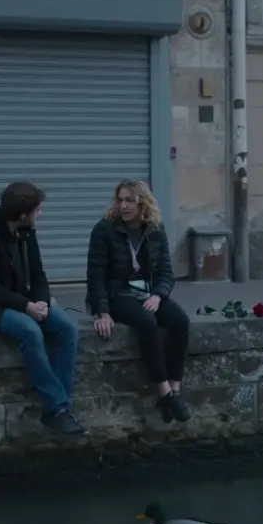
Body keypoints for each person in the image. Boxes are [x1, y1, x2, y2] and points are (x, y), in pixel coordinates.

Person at [0, 181, 84, 436]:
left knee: (67, 328)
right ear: (23, 213)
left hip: (23, 301)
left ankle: (58, 409)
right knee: (29, 331)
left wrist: (41, 302)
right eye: (38, 210)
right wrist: (26, 306)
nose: (41, 214)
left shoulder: (26, 232)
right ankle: (58, 408)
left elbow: (38, 273)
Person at [85, 179, 192, 423]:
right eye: (120, 200)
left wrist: (158, 295)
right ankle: (164, 392)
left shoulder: (155, 229)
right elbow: (96, 276)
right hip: (117, 294)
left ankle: (175, 390)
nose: (123, 206)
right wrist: (102, 312)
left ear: (142, 203)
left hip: (148, 292)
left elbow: (166, 273)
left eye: (129, 200)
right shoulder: (104, 229)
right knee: (146, 323)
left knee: (180, 321)